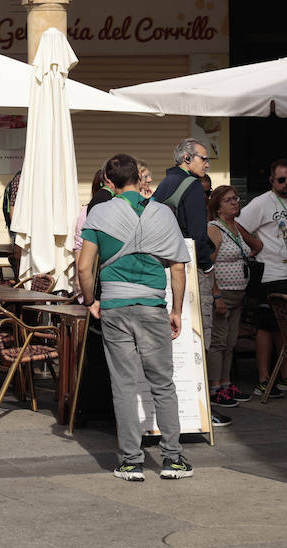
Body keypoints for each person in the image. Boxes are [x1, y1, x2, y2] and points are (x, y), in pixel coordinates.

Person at [76, 153, 193, 482]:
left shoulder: (99, 212)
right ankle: (172, 459)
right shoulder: (163, 214)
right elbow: (178, 268)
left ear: (109, 183)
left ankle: (131, 461)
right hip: (153, 305)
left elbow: (84, 267)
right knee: (163, 384)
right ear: (138, 179)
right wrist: (177, 310)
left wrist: (90, 300)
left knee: (124, 385)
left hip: (114, 305)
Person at [154, 139, 226, 425]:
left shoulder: (165, 183)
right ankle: (200, 409)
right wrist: (208, 265)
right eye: (204, 159)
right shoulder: (192, 186)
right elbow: (196, 232)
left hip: (162, 267)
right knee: (198, 335)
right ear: (187, 158)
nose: (207, 165)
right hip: (187, 267)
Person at [238, 158, 287, 398]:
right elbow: (238, 224)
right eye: (281, 180)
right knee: (266, 327)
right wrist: (257, 244)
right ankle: (264, 379)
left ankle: (285, 375)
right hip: (270, 275)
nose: (286, 183)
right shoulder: (261, 203)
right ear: (271, 180)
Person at [206, 185, 262, 408]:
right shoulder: (214, 229)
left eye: (236, 199)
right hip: (223, 294)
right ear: (218, 206)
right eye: (228, 200)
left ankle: (226, 383)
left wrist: (243, 256)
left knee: (231, 342)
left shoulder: (235, 227)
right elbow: (207, 265)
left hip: (239, 293)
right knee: (219, 341)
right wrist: (216, 295)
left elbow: (257, 245)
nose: (234, 202)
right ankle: (214, 387)